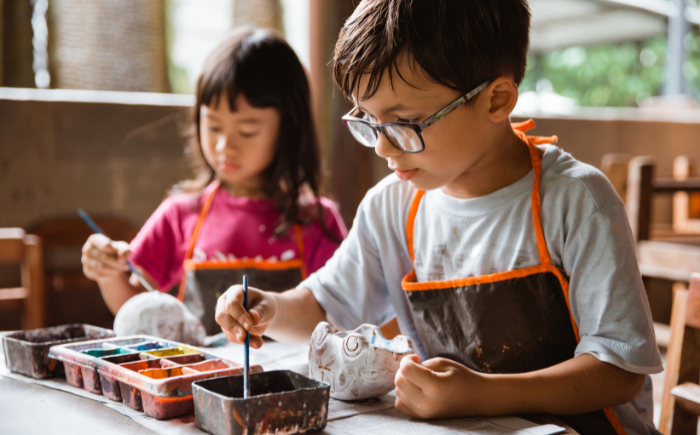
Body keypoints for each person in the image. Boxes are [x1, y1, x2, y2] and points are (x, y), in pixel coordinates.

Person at [215, 1, 662, 434]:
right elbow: (326, 304)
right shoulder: (391, 207)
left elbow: (618, 369)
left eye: (404, 122)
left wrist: (484, 394)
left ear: (496, 100)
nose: (383, 148)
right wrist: (268, 309)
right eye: (368, 120)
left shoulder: (575, 200)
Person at [81, 28, 347, 335]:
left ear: (289, 128)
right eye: (213, 126)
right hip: (195, 381)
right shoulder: (180, 213)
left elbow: (341, 313)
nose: (223, 147)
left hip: (291, 381)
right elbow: (135, 305)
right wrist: (107, 272)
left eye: (246, 131)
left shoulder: (317, 221)